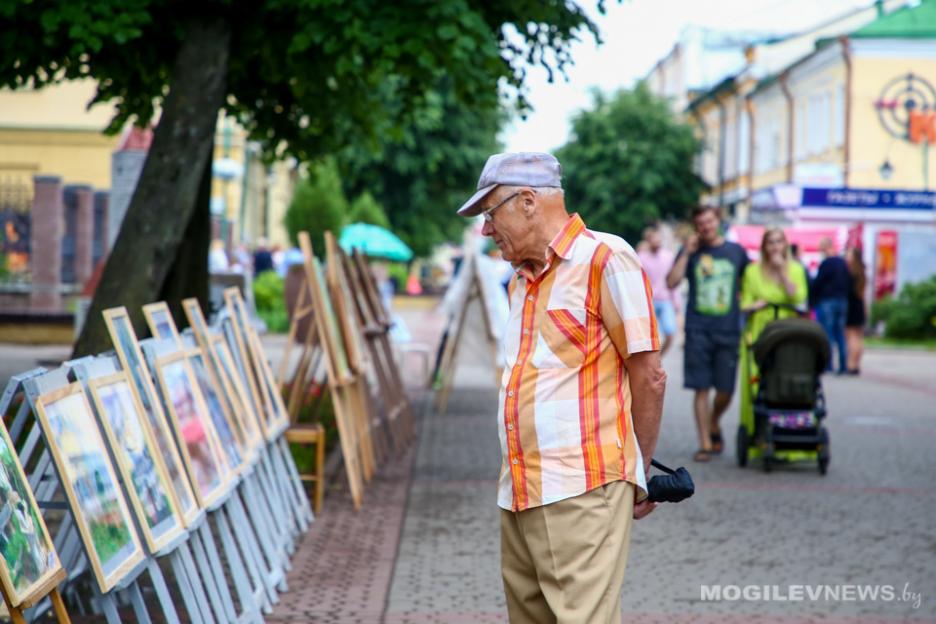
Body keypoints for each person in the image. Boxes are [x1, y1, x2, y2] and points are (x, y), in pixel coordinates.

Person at [458, 152, 665, 624]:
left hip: (582, 487)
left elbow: (649, 374)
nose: (487, 230)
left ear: (528, 201)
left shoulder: (605, 258)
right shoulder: (522, 280)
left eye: (491, 213)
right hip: (519, 488)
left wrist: (640, 468)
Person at [666, 205, 749, 462]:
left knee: (726, 390)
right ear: (696, 226)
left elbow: (749, 284)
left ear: (718, 221)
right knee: (701, 388)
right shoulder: (691, 251)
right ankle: (704, 443)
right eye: (701, 223)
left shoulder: (736, 252)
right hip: (698, 329)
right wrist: (686, 253)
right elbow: (671, 282)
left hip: (728, 329)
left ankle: (714, 420)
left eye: (710, 221)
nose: (706, 227)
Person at [738, 228, 809, 429]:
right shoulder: (752, 271)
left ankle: (790, 428)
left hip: (787, 331)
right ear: (764, 247)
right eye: (771, 242)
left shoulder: (796, 269)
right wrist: (755, 305)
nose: (775, 246)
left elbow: (798, 297)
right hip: (760, 329)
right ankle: (757, 431)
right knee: (756, 381)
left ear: (785, 245)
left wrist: (782, 273)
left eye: (779, 242)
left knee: (786, 377)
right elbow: (745, 303)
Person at [810, 237, 851, 373]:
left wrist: (813, 298)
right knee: (840, 333)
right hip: (842, 300)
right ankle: (843, 365)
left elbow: (818, 282)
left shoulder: (826, 263)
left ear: (826, 247)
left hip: (827, 301)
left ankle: (829, 365)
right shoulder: (842, 263)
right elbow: (848, 281)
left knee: (828, 333)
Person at [638, 225, 678, 357]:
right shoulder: (642, 257)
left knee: (670, 333)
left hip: (665, 299)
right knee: (652, 337)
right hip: (650, 301)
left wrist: (676, 301)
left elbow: (673, 280)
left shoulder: (668, 256)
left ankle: (658, 358)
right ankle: (652, 361)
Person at [845, 247, 867, 375]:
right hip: (859, 306)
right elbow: (862, 294)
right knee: (859, 337)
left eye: (849, 254)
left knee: (851, 336)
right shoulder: (862, 272)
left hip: (851, 306)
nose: (847, 256)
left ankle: (851, 364)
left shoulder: (850, 273)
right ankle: (856, 363)